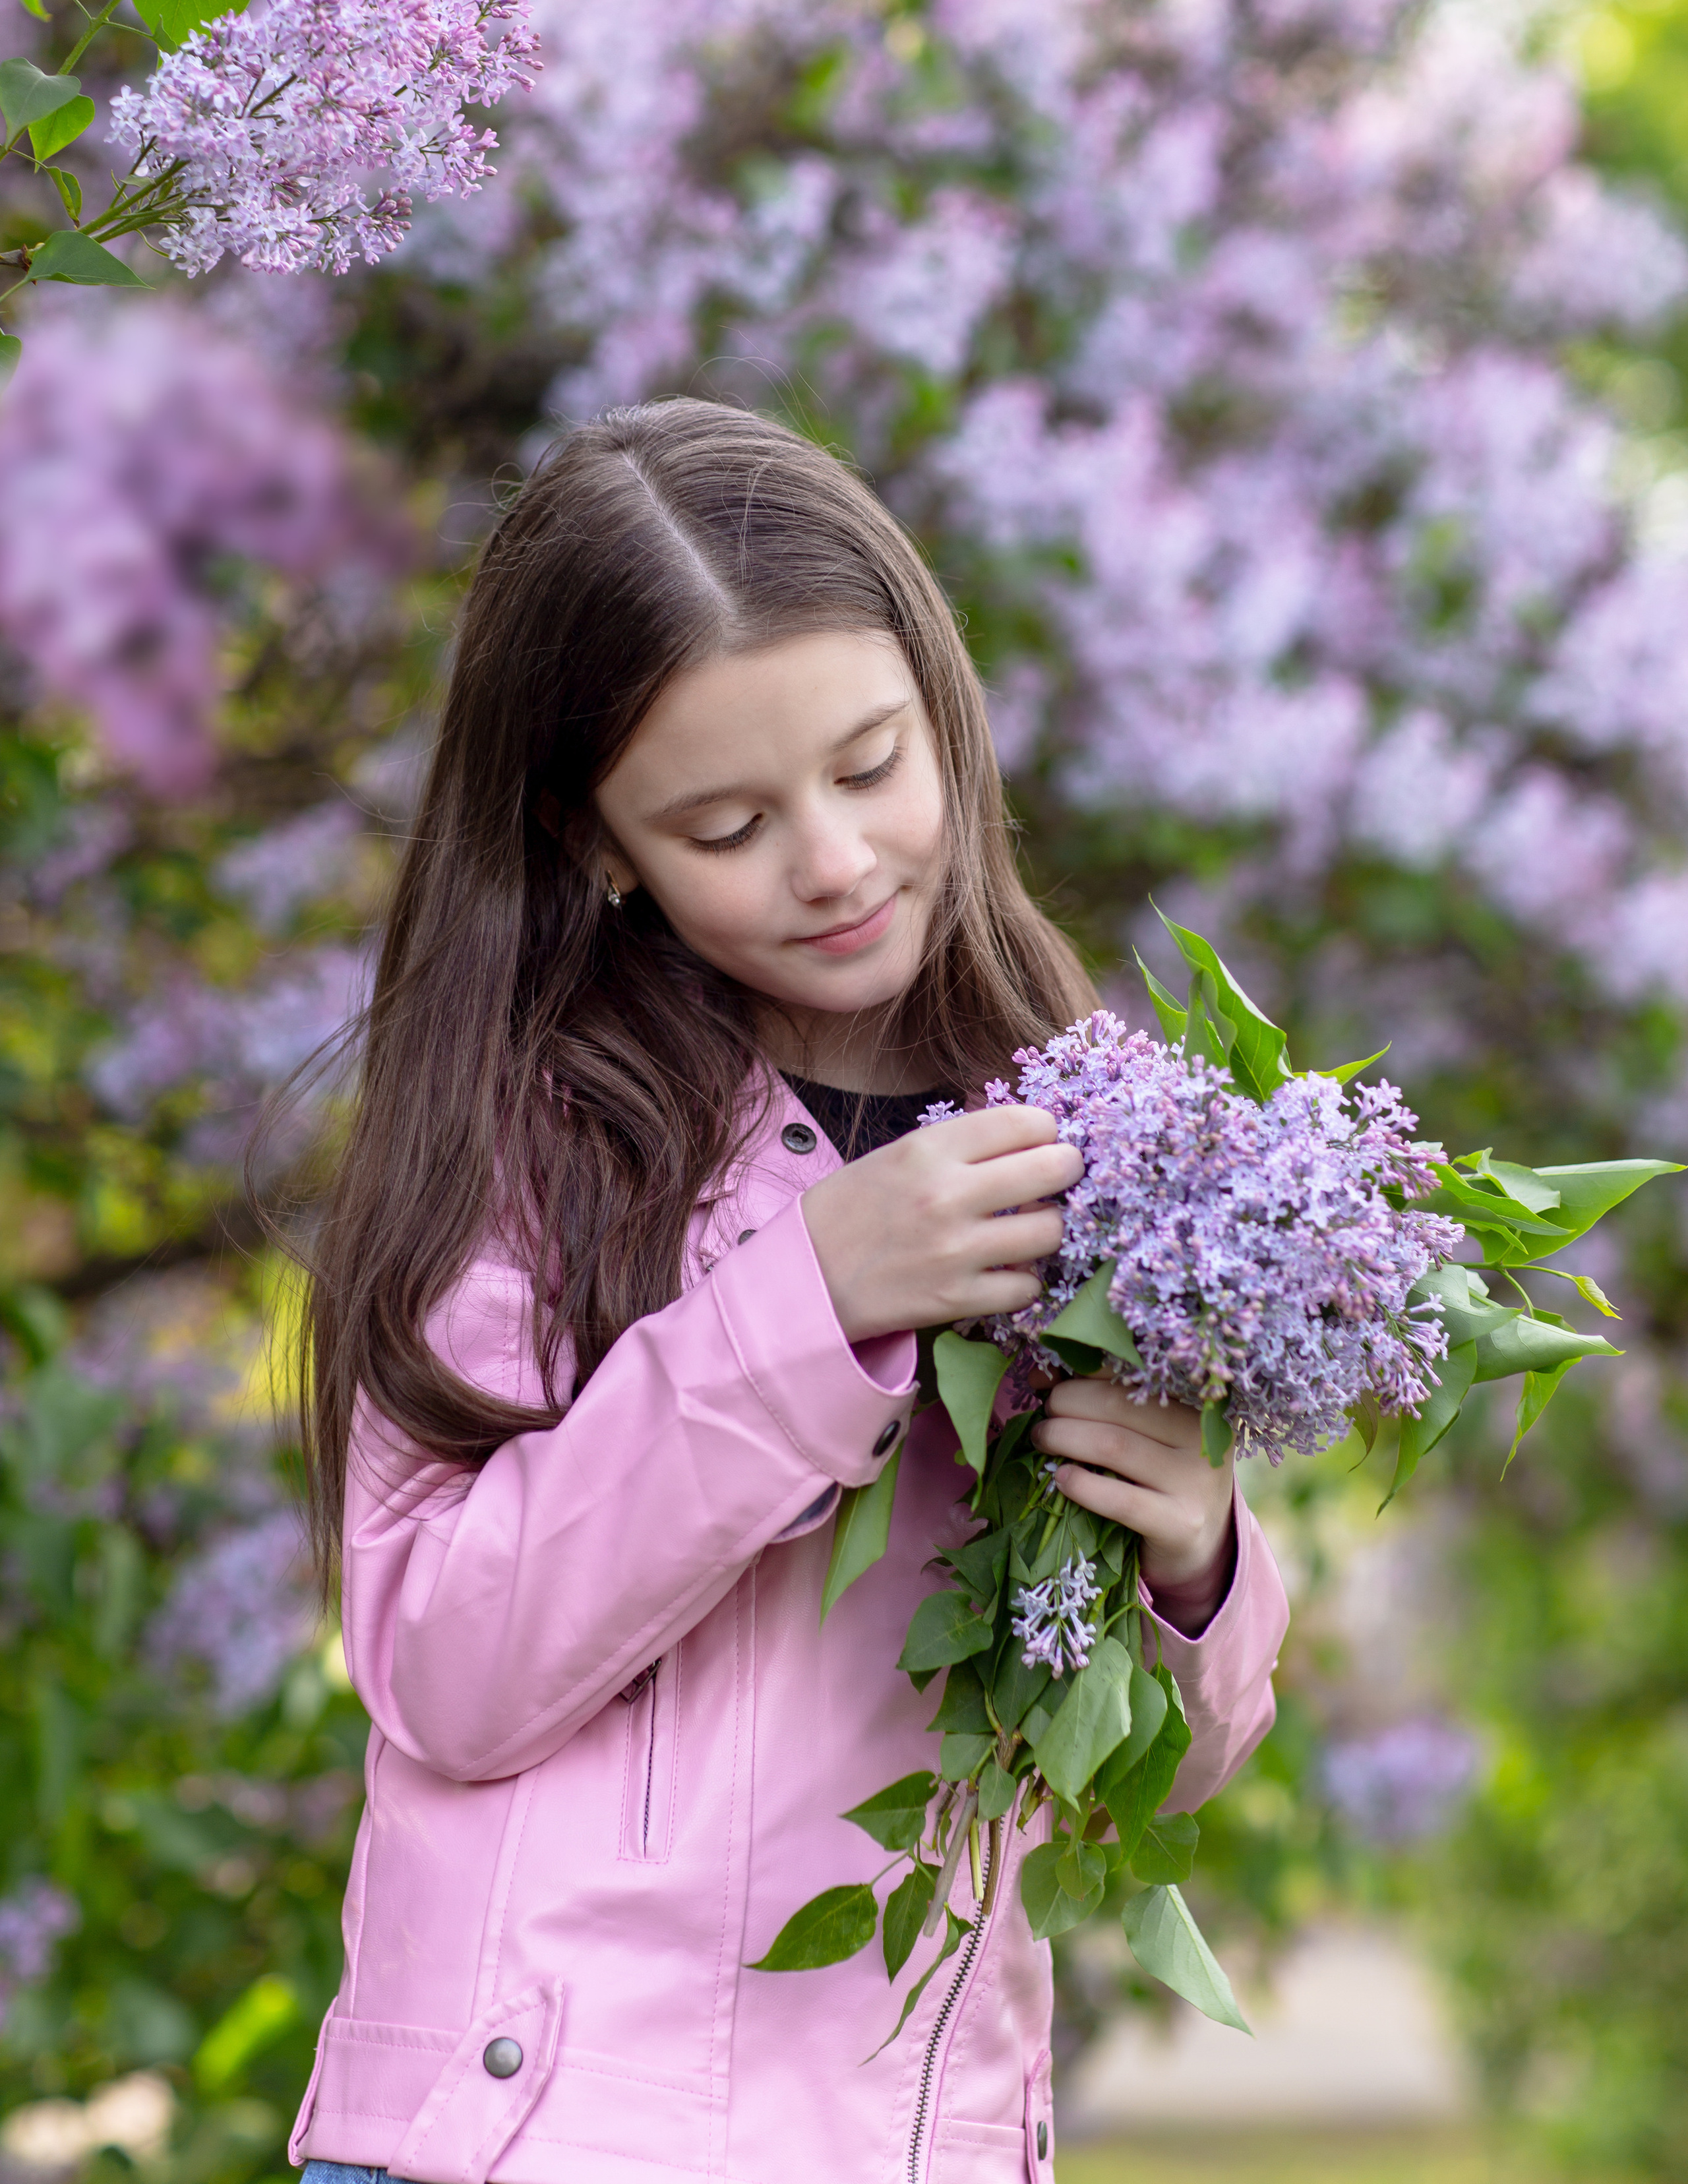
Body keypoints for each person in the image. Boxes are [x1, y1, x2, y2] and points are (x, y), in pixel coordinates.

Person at [286, 399, 1290, 2184]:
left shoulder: (1087, 1126)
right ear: (600, 842)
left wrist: (1198, 1564)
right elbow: (440, 1661)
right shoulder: (535, 1141)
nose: (832, 861)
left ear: (942, 709)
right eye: (729, 822)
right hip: (538, 2132)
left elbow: (1140, 1772)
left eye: (870, 764)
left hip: (909, 2135)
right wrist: (804, 1312)